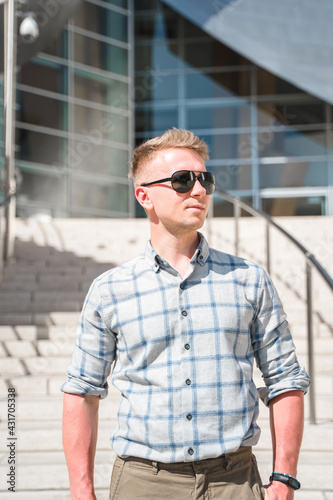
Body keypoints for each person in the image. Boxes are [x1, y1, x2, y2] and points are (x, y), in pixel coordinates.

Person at [62, 128, 310, 500]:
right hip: (144, 484)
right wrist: (81, 491)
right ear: (144, 195)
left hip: (236, 481)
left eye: (204, 180)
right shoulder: (109, 290)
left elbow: (286, 379)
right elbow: (81, 391)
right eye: (181, 180)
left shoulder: (249, 279)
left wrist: (284, 477)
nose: (198, 190)